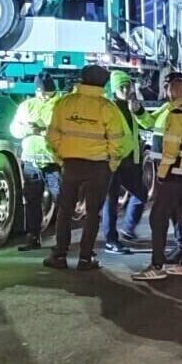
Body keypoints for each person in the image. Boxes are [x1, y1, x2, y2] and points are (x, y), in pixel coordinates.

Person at [43, 65, 130, 270]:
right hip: (99, 166)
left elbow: (51, 137)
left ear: (81, 79)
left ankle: (60, 254)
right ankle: (85, 258)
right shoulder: (107, 108)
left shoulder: (65, 104)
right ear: (103, 83)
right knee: (93, 212)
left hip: (71, 164)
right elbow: (118, 141)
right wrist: (112, 163)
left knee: (65, 211)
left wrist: (62, 159)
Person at [133, 76, 182, 280]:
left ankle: (157, 266)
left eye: (168, 90)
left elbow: (171, 150)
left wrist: (161, 174)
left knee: (157, 218)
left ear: (173, 92)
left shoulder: (177, 114)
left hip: (174, 175)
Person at [99, 70, 153, 254]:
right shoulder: (108, 107)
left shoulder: (132, 105)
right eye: (123, 87)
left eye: (128, 85)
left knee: (141, 194)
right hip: (112, 162)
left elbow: (148, 124)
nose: (127, 89)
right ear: (114, 89)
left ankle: (128, 229)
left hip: (131, 161)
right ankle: (111, 240)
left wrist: (139, 111)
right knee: (110, 202)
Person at [10, 73, 62, 251]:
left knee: (62, 200)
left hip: (54, 161)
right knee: (32, 201)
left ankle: (62, 241)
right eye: (40, 92)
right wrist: (26, 129)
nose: (43, 96)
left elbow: (63, 132)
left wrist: (41, 131)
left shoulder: (61, 106)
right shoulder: (27, 106)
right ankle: (33, 237)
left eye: (47, 92)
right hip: (31, 161)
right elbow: (14, 130)